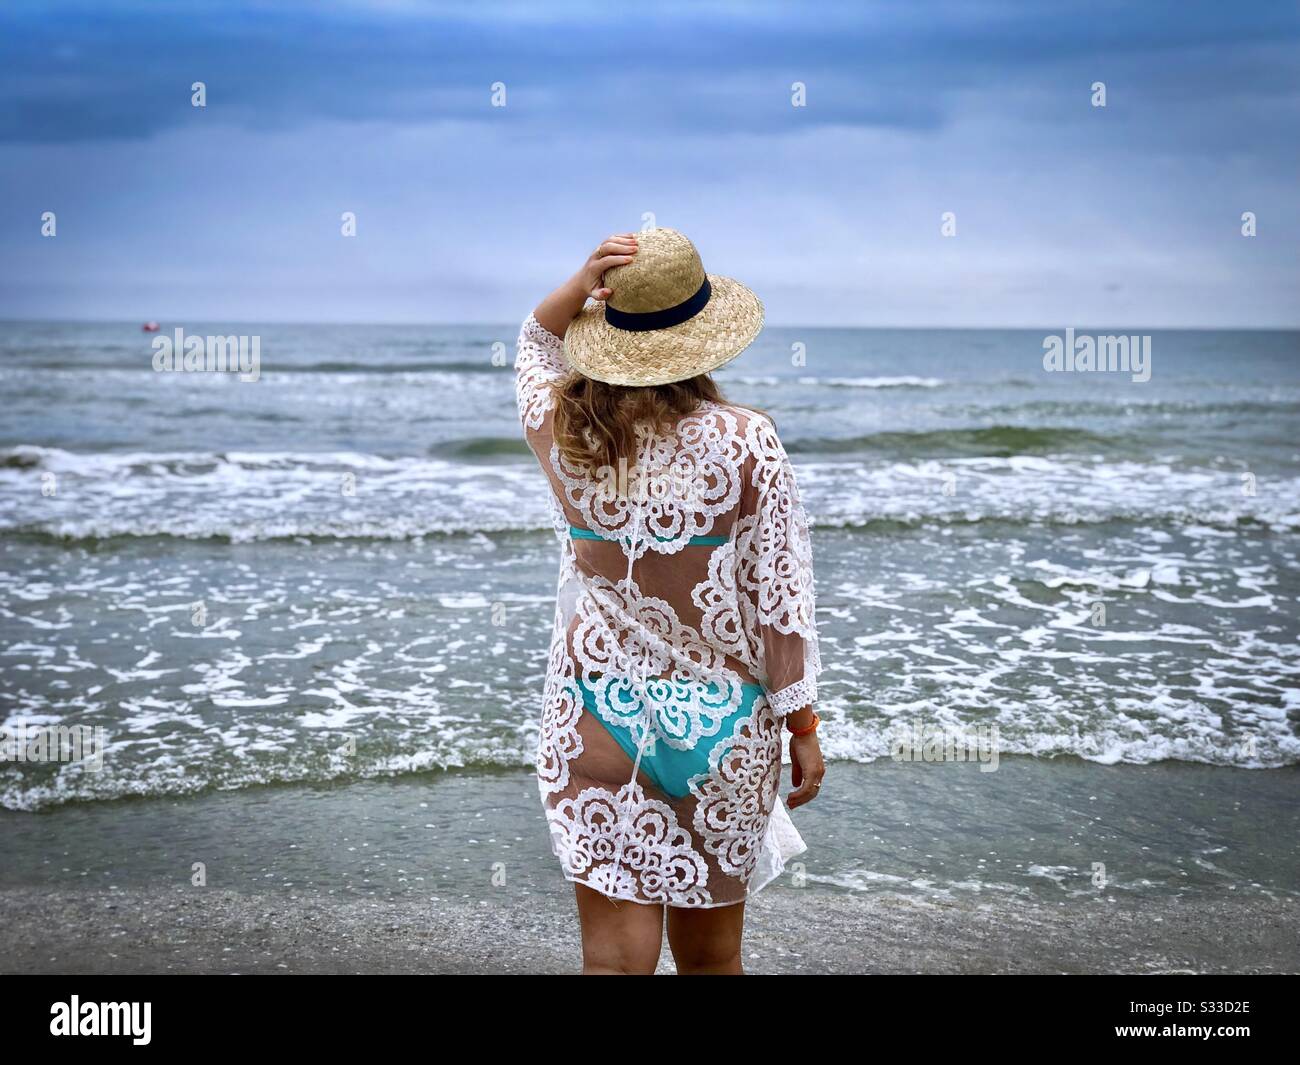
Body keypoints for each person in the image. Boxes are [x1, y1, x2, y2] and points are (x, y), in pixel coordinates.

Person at [514, 227, 824, 975]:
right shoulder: (749, 443)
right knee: (712, 964)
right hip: (720, 731)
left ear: (607, 328)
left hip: (596, 715)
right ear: (705, 334)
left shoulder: (565, 430)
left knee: (614, 962)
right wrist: (803, 723)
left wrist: (578, 282)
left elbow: (534, 342)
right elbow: (779, 597)